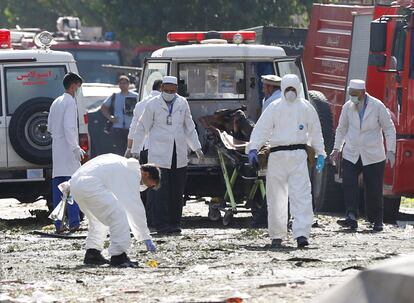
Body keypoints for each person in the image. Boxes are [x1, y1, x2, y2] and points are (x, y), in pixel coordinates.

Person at [247, 74, 326, 248]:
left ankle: (301, 234)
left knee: (302, 196)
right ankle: (277, 235)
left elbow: (315, 133)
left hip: (298, 156)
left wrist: (321, 153)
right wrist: (253, 148)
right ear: (283, 89)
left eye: (293, 89)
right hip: (277, 157)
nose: (290, 92)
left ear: (298, 89)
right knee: (276, 198)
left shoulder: (307, 108)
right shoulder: (274, 108)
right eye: (287, 89)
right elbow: (262, 129)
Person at [132, 76, 204, 234]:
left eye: (172, 91)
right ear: (162, 87)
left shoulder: (182, 103)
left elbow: (189, 127)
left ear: (176, 89)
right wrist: (136, 150)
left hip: (178, 153)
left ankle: (174, 223)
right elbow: (142, 127)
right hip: (158, 153)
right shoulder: (152, 104)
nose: (169, 93)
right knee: (160, 192)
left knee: (177, 191)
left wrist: (196, 147)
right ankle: (161, 224)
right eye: (166, 90)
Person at [68, 154, 160, 267]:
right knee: (119, 216)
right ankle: (118, 256)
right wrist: (145, 236)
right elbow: (135, 207)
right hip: (90, 185)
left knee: (98, 221)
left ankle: (92, 253)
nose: (147, 188)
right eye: (150, 185)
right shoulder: (133, 173)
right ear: (146, 174)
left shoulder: (123, 166)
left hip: (76, 185)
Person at [330, 79, 396, 232]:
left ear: (363, 93)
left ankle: (377, 219)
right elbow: (341, 129)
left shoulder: (377, 106)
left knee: (373, 188)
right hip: (351, 152)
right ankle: (351, 216)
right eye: (350, 94)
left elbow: (389, 129)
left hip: (373, 154)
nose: (352, 97)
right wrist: (336, 149)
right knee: (349, 184)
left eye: (355, 94)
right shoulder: (348, 107)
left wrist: (390, 150)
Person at [47, 72, 84, 233]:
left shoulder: (56, 101)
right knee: (70, 188)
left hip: (57, 149)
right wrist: (75, 147)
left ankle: (58, 224)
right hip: (68, 150)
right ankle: (74, 221)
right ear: (73, 85)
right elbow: (69, 127)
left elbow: (49, 127)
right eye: (78, 87)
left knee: (58, 190)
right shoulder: (70, 102)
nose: (78, 90)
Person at [125, 79, 163, 160]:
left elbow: (133, 128)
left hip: (144, 148)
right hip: (163, 149)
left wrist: (129, 148)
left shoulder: (140, 104)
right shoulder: (167, 103)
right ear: (161, 88)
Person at [101, 75, 138, 155]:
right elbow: (103, 107)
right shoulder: (115, 96)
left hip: (131, 128)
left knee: (132, 150)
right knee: (120, 150)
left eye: (124, 83)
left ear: (128, 84)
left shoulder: (135, 96)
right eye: (120, 83)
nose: (122, 85)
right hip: (118, 128)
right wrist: (110, 117)